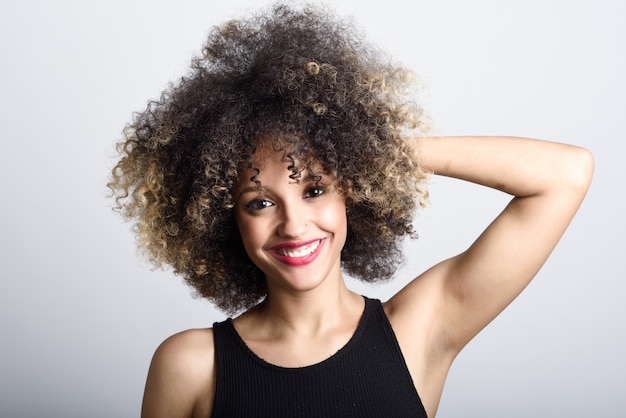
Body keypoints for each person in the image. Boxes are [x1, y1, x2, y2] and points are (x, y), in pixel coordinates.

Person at [108, 4, 593, 417]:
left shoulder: (417, 330)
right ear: (223, 219)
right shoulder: (191, 364)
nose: (294, 224)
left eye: (315, 190)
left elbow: (566, 174)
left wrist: (376, 151)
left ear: (352, 192)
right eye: (260, 202)